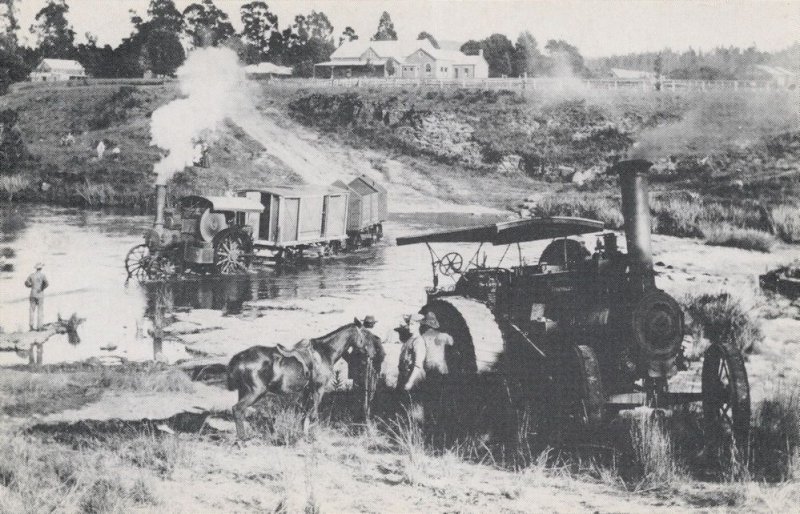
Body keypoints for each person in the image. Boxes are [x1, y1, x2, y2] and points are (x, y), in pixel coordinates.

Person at [419, 312, 454, 376]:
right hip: (440, 364)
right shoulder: (442, 335)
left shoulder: (422, 337)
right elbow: (451, 342)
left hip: (428, 363)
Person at [25, 262, 49, 331]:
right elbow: (47, 284)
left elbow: (26, 283)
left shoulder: (31, 275)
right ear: (41, 268)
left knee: (31, 310)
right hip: (40, 294)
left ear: (36, 268)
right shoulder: (43, 275)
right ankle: (39, 327)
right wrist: (41, 289)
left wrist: (30, 286)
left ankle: (31, 326)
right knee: (40, 310)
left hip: (32, 294)